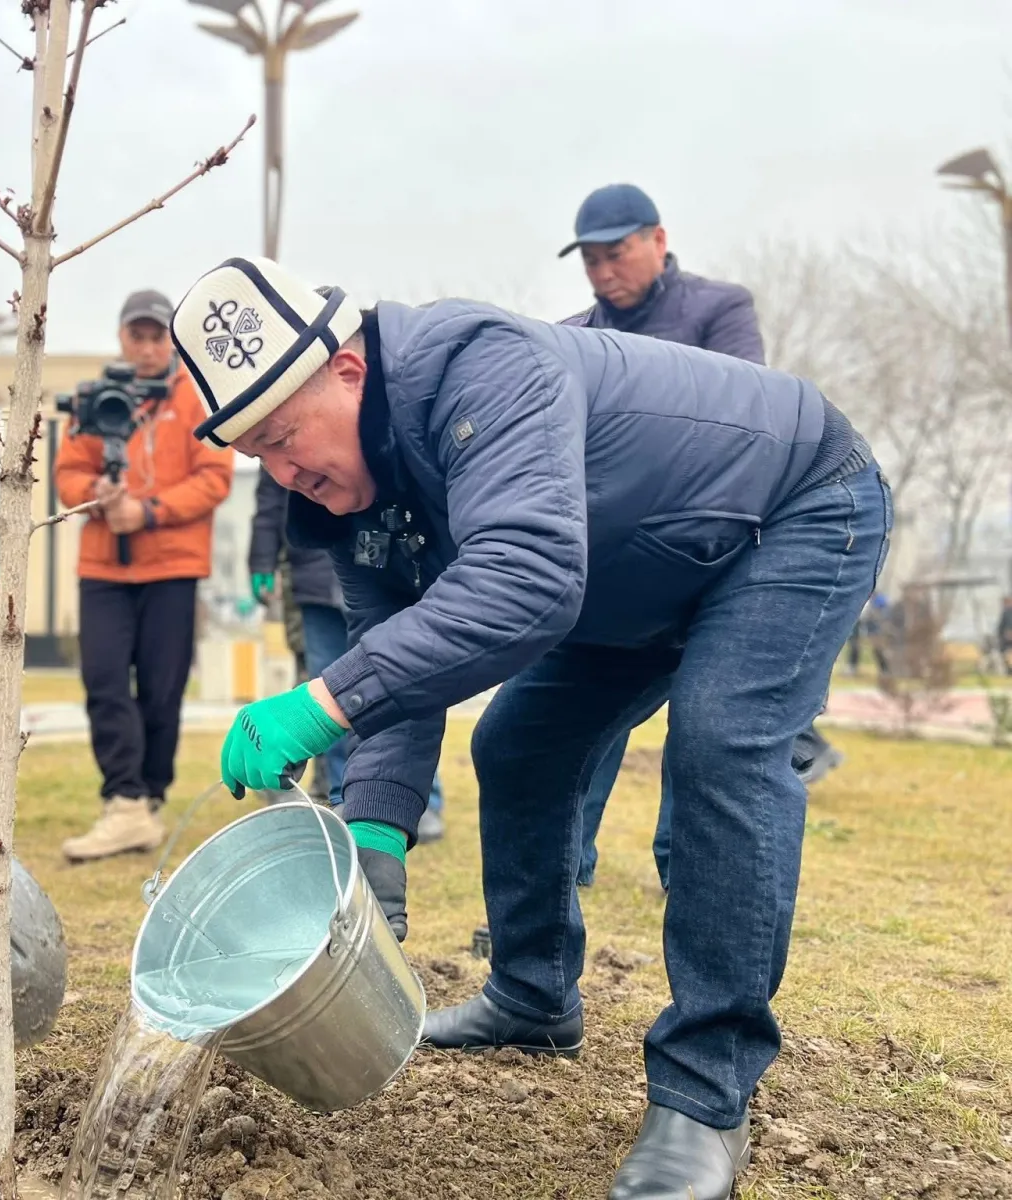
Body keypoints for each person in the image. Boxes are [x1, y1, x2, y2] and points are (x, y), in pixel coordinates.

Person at [173, 256, 889, 1199]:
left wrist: (319, 705)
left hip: (787, 511)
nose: (284, 471)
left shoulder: (479, 365)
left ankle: (706, 1094)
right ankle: (533, 996)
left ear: (347, 369)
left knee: (720, 743)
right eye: (256, 454)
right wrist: (372, 843)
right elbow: (396, 660)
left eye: (283, 435)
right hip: (626, 576)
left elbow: (526, 578)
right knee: (515, 747)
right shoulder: (352, 499)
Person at [558, 183, 841, 891]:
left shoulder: (720, 309)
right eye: (589, 260)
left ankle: (687, 868)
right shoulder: (571, 337)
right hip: (613, 561)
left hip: (715, 556)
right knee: (572, 722)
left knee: (706, 723)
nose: (601, 272)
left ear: (657, 238)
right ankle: (563, 870)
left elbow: (749, 412)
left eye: (615, 253)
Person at [55, 289, 234, 862]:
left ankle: (149, 796)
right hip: (103, 566)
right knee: (104, 682)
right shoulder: (95, 396)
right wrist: (99, 497)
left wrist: (148, 510)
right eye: (139, 335)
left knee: (162, 688)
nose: (149, 346)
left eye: (158, 336)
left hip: (174, 565)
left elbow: (214, 478)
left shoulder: (198, 399)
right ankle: (124, 800)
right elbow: (68, 473)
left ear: (171, 341)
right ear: (122, 338)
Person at [249, 465, 447, 841]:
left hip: (383, 562)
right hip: (312, 579)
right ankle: (349, 801)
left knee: (401, 676)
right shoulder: (279, 457)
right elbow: (271, 500)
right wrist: (260, 559)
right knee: (328, 686)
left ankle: (422, 799)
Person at [998, 595, 1012, 675]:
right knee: (1007, 655)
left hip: (1007, 641)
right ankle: (1009, 670)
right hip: (1006, 641)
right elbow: (1000, 628)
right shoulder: (1005, 613)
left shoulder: (1006, 613)